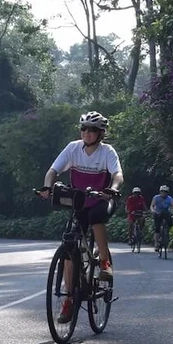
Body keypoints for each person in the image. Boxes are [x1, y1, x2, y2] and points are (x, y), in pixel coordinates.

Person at [41, 111, 123, 323]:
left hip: (102, 200)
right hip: (79, 202)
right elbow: (53, 170)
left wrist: (112, 189)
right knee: (69, 250)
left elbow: (117, 175)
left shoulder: (107, 152)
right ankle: (69, 300)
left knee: (97, 218)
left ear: (100, 133)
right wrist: (47, 188)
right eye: (84, 129)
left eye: (93, 129)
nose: (87, 133)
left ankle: (104, 262)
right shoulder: (72, 148)